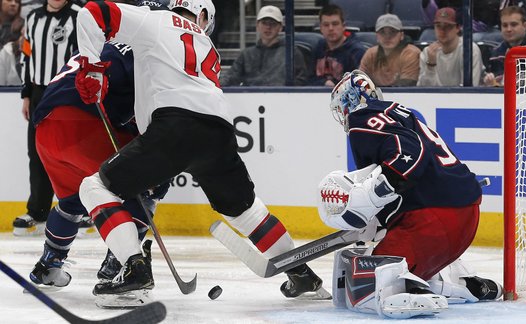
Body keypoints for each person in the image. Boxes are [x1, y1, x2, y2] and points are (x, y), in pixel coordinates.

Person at [73, 0, 325, 304]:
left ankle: (134, 269)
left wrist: (91, 68)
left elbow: (93, 12)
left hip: (174, 127)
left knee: (94, 187)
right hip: (218, 132)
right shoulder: (207, 44)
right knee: (246, 211)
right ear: (202, 15)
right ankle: (300, 273)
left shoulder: (154, 20)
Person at [318, 70, 502, 318]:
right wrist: (380, 219)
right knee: (388, 260)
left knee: (363, 285)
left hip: (433, 220)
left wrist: (371, 197)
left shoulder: (362, 118)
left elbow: (409, 153)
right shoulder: (399, 114)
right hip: (465, 216)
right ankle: (463, 284)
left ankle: (407, 290)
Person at [26, 40, 164, 294]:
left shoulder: (99, 42)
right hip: (85, 126)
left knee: (72, 201)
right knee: (146, 185)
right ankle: (121, 265)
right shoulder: (149, 49)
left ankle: (49, 265)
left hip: (45, 131)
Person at [15, 0, 80, 236]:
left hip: (66, 92)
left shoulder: (78, 15)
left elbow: (83, 57)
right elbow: (27, 56)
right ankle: (38, 211)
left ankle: (79, 210)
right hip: (39, 93)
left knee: (72, 154)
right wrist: (26, 95)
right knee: (37, 153)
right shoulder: (33, 18)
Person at [219, 5, 308, 86]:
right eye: (264, 23)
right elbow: (231, 77)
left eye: (273, 23)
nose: (268, 27)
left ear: (280, 27)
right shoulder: (246, 54)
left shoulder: (292, 53)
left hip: (281, 99)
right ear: (257, 25)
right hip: (250, 99)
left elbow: (301, 81)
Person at [417, 7, 484, 87]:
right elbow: (423, 91)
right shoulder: (427, 52)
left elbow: (470, 89)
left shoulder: (469, 50)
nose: (442, 30)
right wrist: (430, 66)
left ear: (458, 28)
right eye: (438, 26)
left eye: (448, 26)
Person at [484, 6, 526, 86]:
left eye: (514, 24)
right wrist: (491, 83)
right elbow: (498, 85)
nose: (509, 29)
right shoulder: (496, 53)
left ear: (525, 26)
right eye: (505, 25)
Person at [310, 4, 366, 86]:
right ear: (321, 28)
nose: (331, 28)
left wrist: (335, 86)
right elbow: (308, 79)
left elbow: (359, 84)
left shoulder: (356, 51)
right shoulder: (319, 47)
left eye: (335, 24)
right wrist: (324, 83)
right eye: (326, 25)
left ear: (343, 26)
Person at [359, 14, 421, 87]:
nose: (387, 37)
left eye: (392, 32)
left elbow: (407, 86)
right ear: (377, 36)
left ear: (401, 35)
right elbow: (359, 81)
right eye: (382, 32)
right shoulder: (370, 54)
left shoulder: (411, 53)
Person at [422, 0, 501, 32]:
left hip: (476, 31)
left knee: (474, 39)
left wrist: (460, 29)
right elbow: (432, 22)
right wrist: (426, 4)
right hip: (447, 29)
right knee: (426, 35)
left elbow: (484, 24)